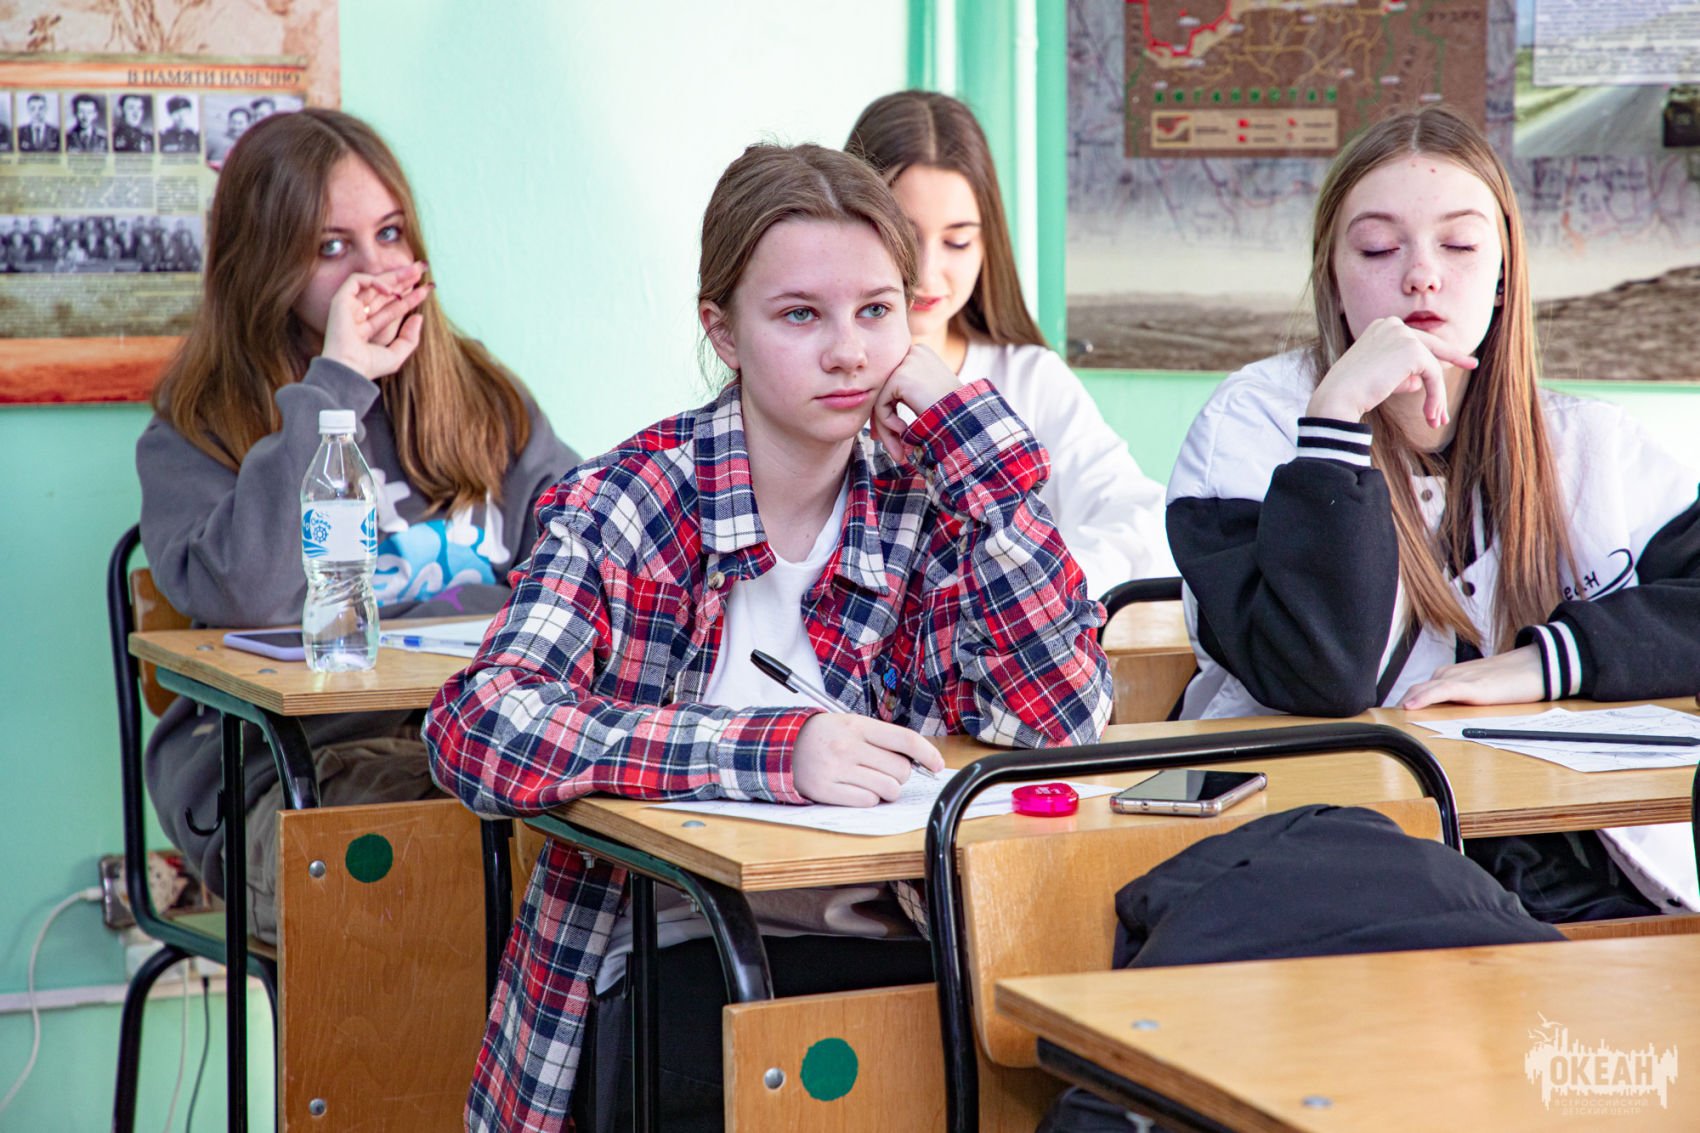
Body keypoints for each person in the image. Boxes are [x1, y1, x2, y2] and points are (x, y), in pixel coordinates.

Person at [424, 142, 1111, 1130]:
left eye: (876, 310)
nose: (848, 352)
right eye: (799, 315)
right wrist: (774, 750)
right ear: (724, 330)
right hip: (673, 947)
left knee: (1059, 1054)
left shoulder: (928, 495)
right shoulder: (630, 500)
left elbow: (1059, 719)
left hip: (909, 935)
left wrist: (976, 447)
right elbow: (478, 724)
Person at [1166, 106, 1700, 917]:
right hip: (1320, 856)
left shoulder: (1589, 442)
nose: (1421, 275)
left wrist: (1556, 659)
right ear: (1333, 275)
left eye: (1459, 245)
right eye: (1379, 249)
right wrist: (1336, 420)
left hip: (1552, 853)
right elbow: (1324, 673)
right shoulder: (1251, 425)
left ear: (1503, 274)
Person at [136, 108, 579, 942]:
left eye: (391, 233)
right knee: (442, 865)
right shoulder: (195, 430)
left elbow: (582, 556)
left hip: (470, 742)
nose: (377, 270)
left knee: (604, 847)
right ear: (267, 266)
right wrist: (335, 381)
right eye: (333, 247)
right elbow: (253, 595)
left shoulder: (485, 401)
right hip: (289, 773)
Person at [846, 90, 1173, 596]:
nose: (927, 273)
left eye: (957, 241)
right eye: (903, 238)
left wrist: (1037, 594)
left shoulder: (1030, 379)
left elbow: (1137, 522)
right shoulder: (821, 376)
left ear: (987, 242)